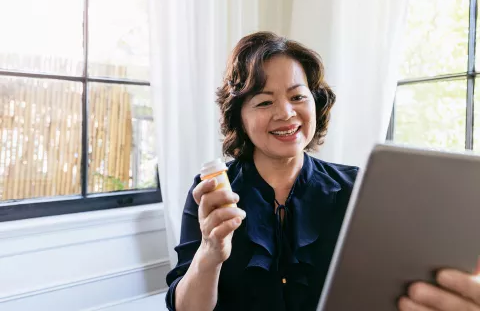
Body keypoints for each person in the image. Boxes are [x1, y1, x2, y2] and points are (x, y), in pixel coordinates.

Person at [165, 32, 480, 311]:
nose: (286, 113)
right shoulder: (214, 192)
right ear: (240, 119)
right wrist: (211, 251)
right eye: (263, 102)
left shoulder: (358, 187)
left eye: (298, 97)